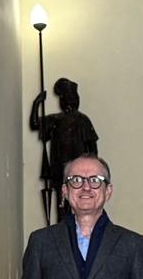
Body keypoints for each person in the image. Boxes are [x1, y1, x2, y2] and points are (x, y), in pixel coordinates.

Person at [29, 77, 100, 220]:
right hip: (60, 173)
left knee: (80, 209)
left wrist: (91, 171)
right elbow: (35, 123)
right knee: (62, 210)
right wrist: (37, 103)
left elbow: (92, 148)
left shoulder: (82, 120)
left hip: (79, 175)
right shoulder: (56, 120)